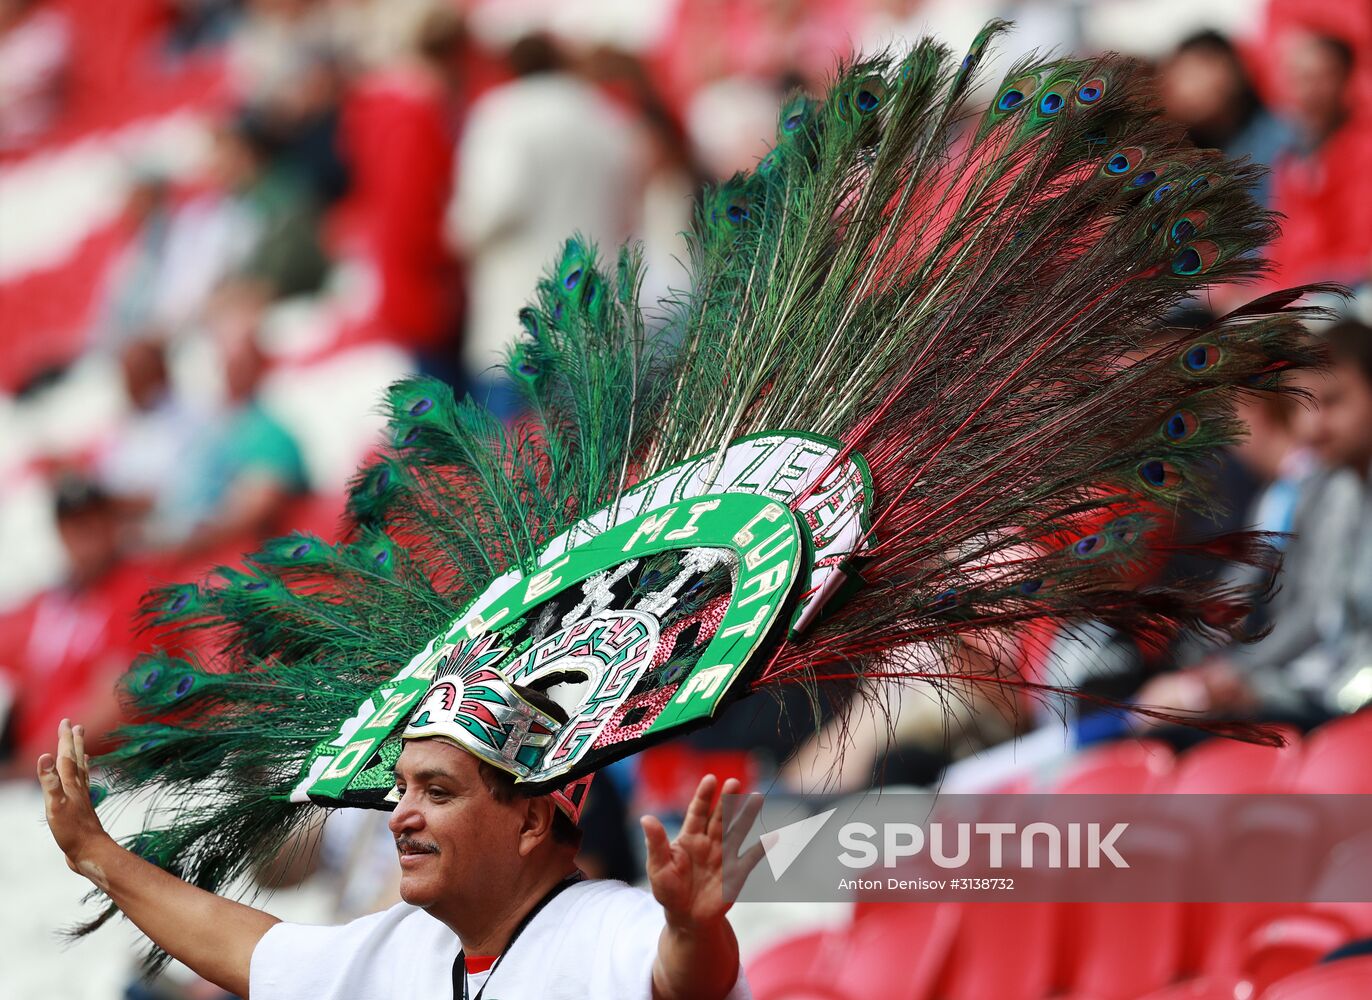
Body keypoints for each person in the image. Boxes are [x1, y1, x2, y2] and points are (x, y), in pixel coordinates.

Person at [39, 717, 762, 999]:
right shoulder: (401, 947)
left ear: (532, 820)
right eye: (402, 788)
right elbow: (247, 949)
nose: (402, 815)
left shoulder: (612, 925)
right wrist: (96, 855)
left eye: (437, 792)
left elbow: (681, 980)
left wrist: (696, 927)